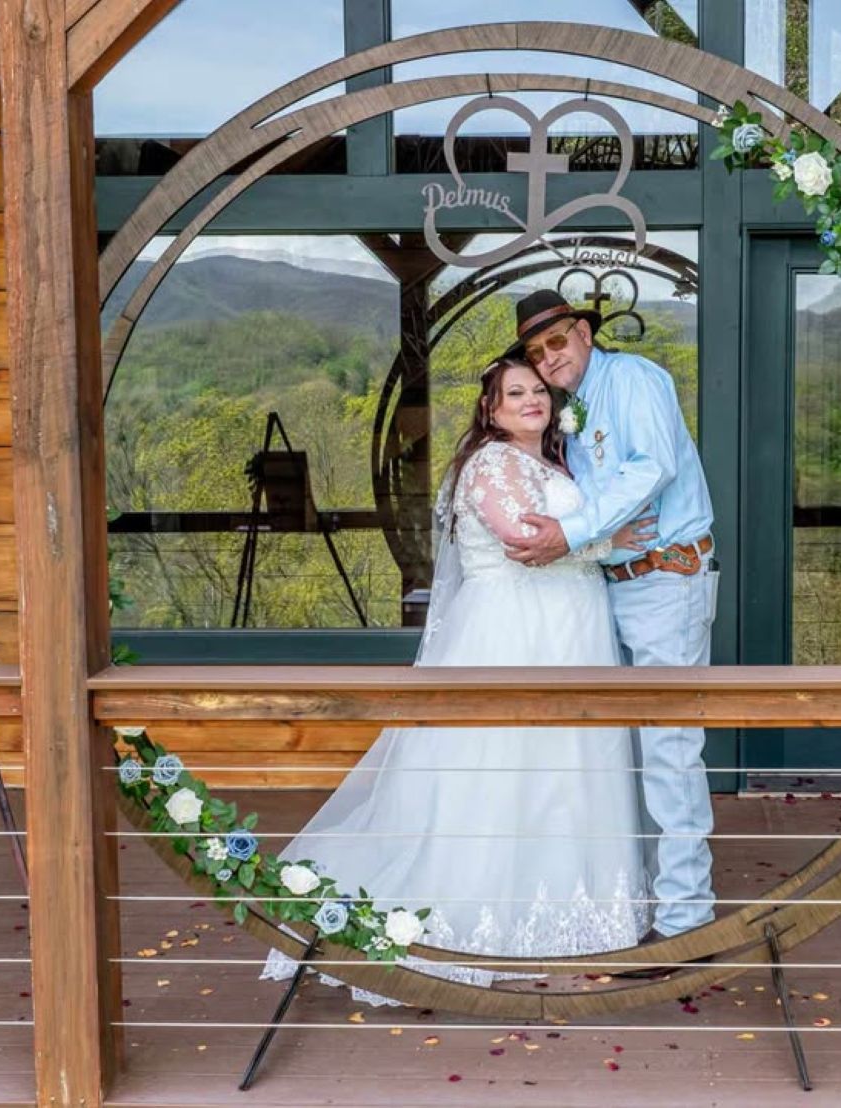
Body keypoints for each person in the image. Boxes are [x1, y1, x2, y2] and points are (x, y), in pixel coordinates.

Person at [262, 358, 655, 1003]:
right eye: (515, 394)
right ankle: (475, 913)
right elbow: (518, 539)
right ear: (491, 411)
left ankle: (569, 906)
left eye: (539, 391)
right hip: (513, 631)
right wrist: (609, 541)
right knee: (505, 762)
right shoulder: (492, 464)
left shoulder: (555, 463)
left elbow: (556, 533)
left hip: (572, 625)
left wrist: (597, 539)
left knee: (570, 762)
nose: (532, 401)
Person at [502, 289, 718, 948]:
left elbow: (652, 469)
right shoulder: (575, 406)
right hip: (612, 585)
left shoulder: (635, 379)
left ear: (585, 334)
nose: (549, 358)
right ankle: (640, 902)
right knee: (621, 754)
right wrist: (593, 543)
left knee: (670, 750)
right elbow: (600, 492)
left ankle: (685, 921)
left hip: (666, 580)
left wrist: (569, 534)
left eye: (557, 341)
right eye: (537, 353)